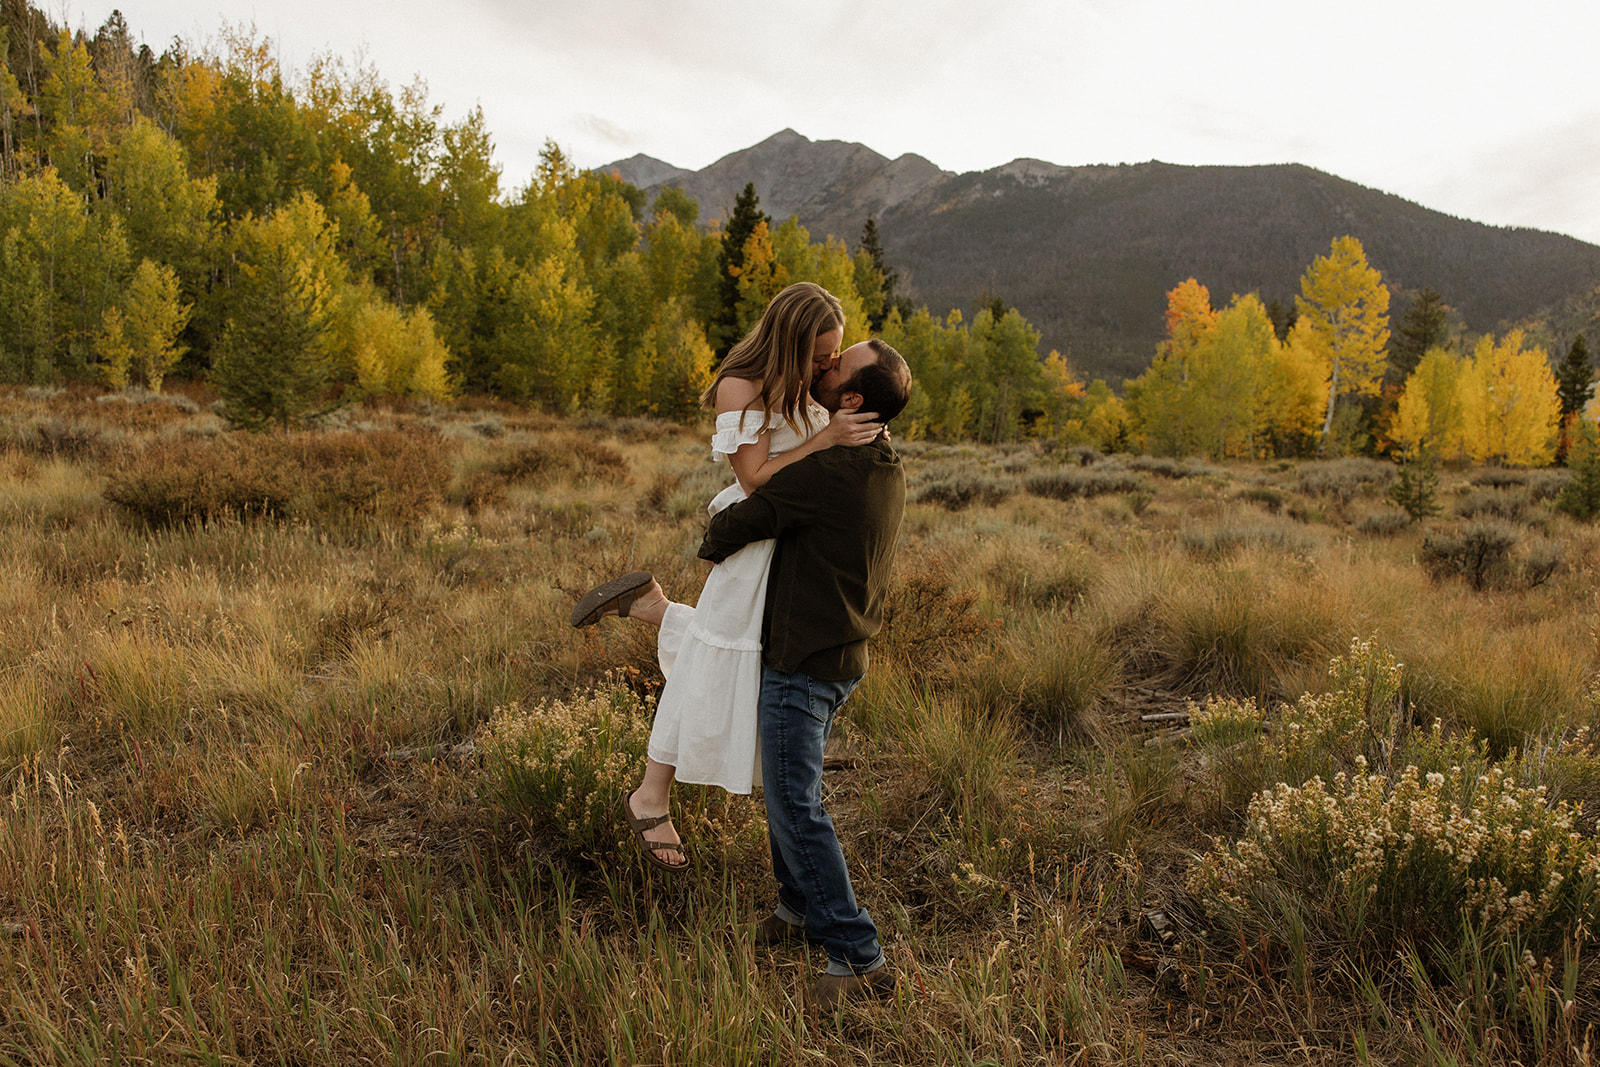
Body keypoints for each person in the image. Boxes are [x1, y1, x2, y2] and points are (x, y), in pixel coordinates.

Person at [569, 282, 881, 872]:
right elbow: (755, 477)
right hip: (756, 540)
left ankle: (655, 608)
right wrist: (829, 437)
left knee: (739, 656)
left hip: (792, 541)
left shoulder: (810, 382)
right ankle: (650, 794)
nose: (828, 366)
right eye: (820, 356)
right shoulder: (741, 385)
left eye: (834, 355)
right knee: (714, 658)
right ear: (791, 344)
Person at [698, 338, 911, 1007]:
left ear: (852, 399)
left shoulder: (829, 472)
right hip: (842, 654)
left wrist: (727, 515)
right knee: (789, 791)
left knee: (796, 803)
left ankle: (857, 954)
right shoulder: (884, 461)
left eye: (837, 365)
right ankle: (796, 907)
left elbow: (730, 528)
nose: (825, 365)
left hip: (805, 663)